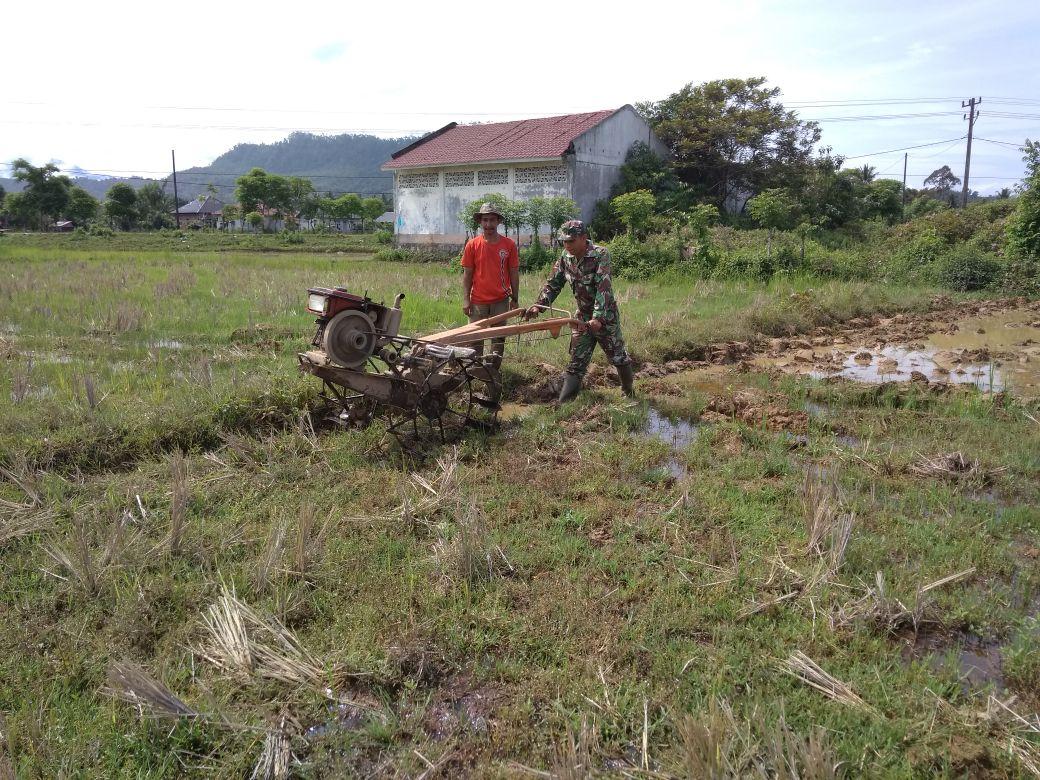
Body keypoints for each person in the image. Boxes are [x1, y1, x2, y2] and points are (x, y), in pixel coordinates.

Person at [524, 220, 634, 401]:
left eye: (571, 241)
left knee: (618, 357)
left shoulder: (600, 254)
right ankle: (565, 403)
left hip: (606, 317)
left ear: (583, 238)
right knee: (577, 362)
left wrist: (598, 318)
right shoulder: (565, 257)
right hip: (582, 317)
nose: (567, 245)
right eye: (564, 241)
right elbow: (554, 283)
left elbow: (603, 287)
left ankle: (628, 393)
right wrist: (539, 305)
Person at [461, 202, 520, 370]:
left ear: (498, 221)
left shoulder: (509, 245)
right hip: (477, 301)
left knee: (498, 339)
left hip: (501, 301)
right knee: (475, 338)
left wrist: (515, 299)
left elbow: (514, 273)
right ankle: (475, 371)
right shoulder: (472, 245)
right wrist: (466, 300)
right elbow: (467, 275)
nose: (488, 224)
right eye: (485, 220)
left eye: (492, 220)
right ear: (480, 222)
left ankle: (492, 372)